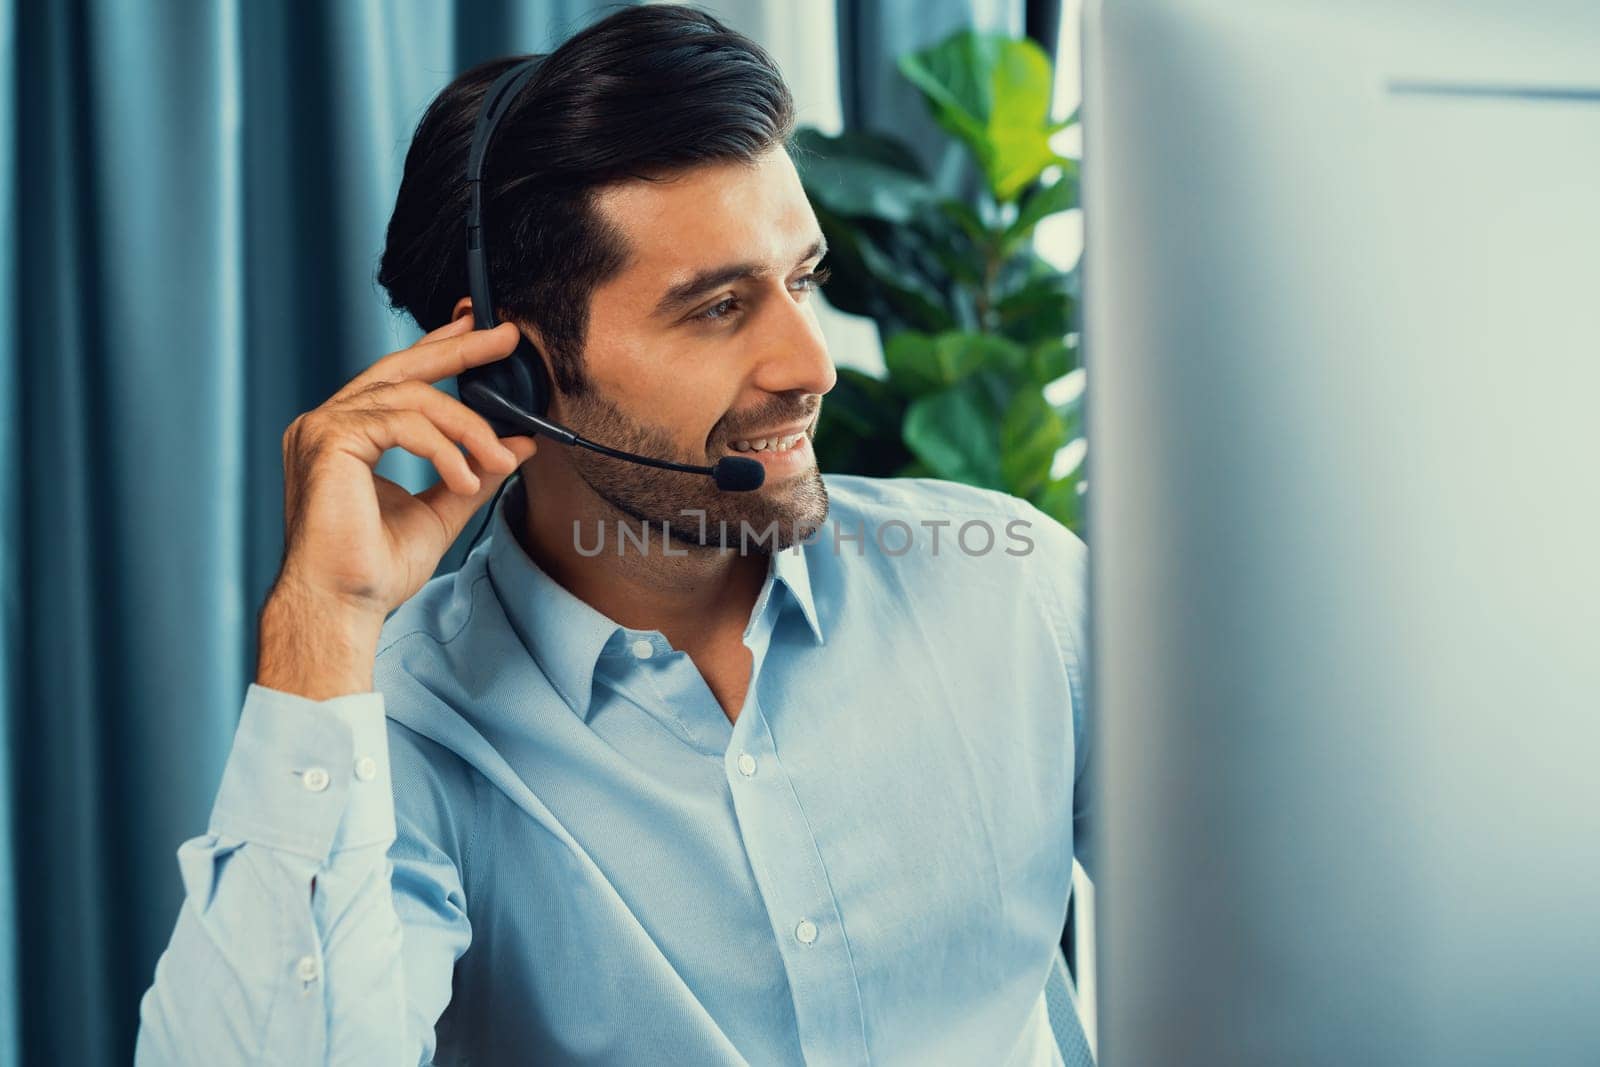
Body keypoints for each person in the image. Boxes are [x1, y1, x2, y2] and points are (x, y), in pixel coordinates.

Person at [134, 5, 1091, 1064]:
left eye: (801, 280)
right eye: (719, 307)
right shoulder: (400, 733)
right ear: (514, 369)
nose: (811, 363)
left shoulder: (1016, 592)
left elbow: (1265, 924)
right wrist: (324, 619)